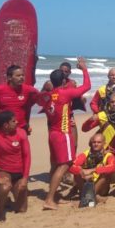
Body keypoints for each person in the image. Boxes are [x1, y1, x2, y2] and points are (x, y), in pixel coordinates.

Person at [0, 64, 42, 206]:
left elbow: (40, 98)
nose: (22, 78)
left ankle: (18, 185)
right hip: (2, 132)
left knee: (20, 160)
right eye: (18, 75)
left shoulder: (28, 89)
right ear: (9, 77)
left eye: (23, 75)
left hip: (20, 131)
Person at [42, 57, 91, 210]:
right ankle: (49, 199)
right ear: (64, 81)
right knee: (66, 164)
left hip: (52, 132)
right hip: (63, 133)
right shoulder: (66, 93)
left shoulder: (49, 95)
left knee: (55, 165)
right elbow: (87, 86)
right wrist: (84, 69)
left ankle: (54, 196)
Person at [0, 111, 31, 221]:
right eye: (13, 121)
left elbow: (27, 156)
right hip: (5, 171)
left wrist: (25, 178)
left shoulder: (21, 133)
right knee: (5, 187)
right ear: (5, 125)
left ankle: (7, 201)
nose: (17, 122)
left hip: (19, 173)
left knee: (22, 209)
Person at [69, 133, 115, 202]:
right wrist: (81, 171)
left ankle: (91, 195)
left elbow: (112, 168)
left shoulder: (109, 155)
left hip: (101, 188)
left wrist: (93, 170)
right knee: (77, 172)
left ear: (104, 143)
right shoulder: (86, 154)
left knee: (107, 174)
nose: (96, 144)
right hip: (86, 184)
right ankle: (90, 196)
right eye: (94, 142)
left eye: (99, 142)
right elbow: (71, 166)